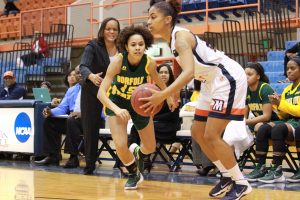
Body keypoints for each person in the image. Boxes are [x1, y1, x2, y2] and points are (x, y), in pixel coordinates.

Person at [145, 1, 252, 199]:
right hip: (209, 81)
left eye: (153, 17)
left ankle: (241, 183)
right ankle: (227, 176)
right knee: (197, 132)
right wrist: (174, 92)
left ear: (167, 19)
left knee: (212, 134)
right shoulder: (172, 40)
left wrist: (164, 93)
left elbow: (189, 72)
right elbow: (181, 64)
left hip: (226, 77)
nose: (148, 22)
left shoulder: (181, 37)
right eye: (148, 17)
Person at [97, 25, 175, 190]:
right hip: (117, 102)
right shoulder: (118, 61)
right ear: (126, 46)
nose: (138, 47)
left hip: (140, 104)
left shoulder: (149, 62)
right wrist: (117, 109)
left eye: (140, 44)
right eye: (133, 45)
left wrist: (168, 96)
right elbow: (101, 93)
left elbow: (159, 81)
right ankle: (133, 173)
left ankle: (138, 152)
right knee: (119, 144)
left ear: (145, 45)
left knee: (151, 147)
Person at [80, 17, 120, 175]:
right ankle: (89, 164)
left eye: (115, 29)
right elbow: (83, 66)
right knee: (90, 128)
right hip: (92, 90)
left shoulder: (122, 47)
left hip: (116, 91)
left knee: (120, 125)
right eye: (108, 28)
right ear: (103, 30)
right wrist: (91, 76)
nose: (111, 32)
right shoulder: (93, 45)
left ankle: (123, 161)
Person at [253, 57, 300, 183]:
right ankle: (260, 167)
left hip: (298, 121)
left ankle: (277, 169)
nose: (289, 71)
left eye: (293, 68)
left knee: (278, 128)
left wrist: (281, 103)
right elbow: (283, 116)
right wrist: (277, 105)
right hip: (290, 121)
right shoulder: (287, 90)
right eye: (287, 69)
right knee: (263, 128)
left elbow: (298, 111)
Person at [34, 67, 81, 166]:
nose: (75, 76)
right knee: (50, 122)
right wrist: (51, 112)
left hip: (86, 120)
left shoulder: (91, 87)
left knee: (71, 120)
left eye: (77, 74)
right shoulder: (71, 90)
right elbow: (62, 108)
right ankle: (53, 156)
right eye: (72, 74)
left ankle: (73, 157)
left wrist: (82, 113)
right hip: (72, 120)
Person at [243, 62, 281, 181]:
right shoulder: (246, 90)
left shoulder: (264, 88)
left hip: (278, 122)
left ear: (258, 76)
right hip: (259, 124)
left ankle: (261, 166)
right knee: (231, 126)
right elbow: (244, 116)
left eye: (250, 74)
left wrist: (246, 122)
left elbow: (266, 116)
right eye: (245, 74)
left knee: (259, 126)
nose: (246, 77)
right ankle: (233, 165)